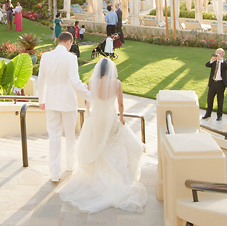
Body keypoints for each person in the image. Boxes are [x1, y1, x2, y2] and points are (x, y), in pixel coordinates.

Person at [57, 57, 147, 213]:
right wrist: (121, 117)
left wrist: (89, 113)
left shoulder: (93, 83)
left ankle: (95, 176)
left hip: (97, 117)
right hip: (110, 117)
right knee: (110, 145)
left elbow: (87, 102)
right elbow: (120, 104)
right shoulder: (117, 84)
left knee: (97, 143)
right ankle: (114, 176)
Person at [37, 32, 91, 183]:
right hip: (68, 103)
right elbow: (75, 82)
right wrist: (89, 96)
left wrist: (41, 99)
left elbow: (40, 80)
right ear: (69, 42)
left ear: (58, 41)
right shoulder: (71, 58)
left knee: (54, 137)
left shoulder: (46, 57)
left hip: (51, 102)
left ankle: (54, 172)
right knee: (70, 136)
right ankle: (70, 165)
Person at [202, 48, 227, 122]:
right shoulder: (214, 62)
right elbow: (207, 65)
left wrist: (221, 60)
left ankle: (219, 115)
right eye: (217, 53)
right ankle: (208, 114)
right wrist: (212, 60)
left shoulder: (225, 62)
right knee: (210, 99)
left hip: (221, 84)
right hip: (213, 83)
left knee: (220, 100)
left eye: (220, 53)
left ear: (223, 54)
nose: (218, 55)